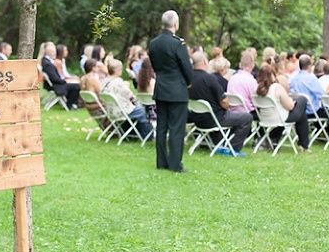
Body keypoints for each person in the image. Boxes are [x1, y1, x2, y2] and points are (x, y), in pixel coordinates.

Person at [148, 10, 193, 172]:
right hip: (177, 90)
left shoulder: (153, 43)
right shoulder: (177, 43)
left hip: (161, 88)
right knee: (176, 127)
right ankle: (175, 164)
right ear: (176, 24)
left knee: (161, 127)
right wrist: (188, 82)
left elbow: (154, 65)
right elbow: (187, 67)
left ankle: (161, 162)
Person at [188, 51, 252, 157]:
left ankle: (220, 144)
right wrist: (227, 108)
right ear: (205, 61)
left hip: (197, 119)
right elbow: (224, 101)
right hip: (215, 119)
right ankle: (233, 148)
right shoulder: (209, 79)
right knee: (247, 117)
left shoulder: (188, 78)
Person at [255, 64, 311, 152]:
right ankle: (304, 145)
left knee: (302, 115)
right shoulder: (276, 87)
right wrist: (291, 101)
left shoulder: (256, 88)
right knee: (302, 99)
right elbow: (290, 107)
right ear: (272, 75)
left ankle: (303, 144)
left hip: (264, 118)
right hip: (281, 117)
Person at [101, 59, 154, 140]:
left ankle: (129, 134)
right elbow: (130, 96)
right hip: (124, 110)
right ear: (118, 70)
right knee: (143, 111)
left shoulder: (104, 81)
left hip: (112, 111)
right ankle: (147, 135)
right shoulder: (118, 82)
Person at [41, 42, 80, 109]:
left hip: (56, 84)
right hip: (55, 85)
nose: (55, 53)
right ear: (48, 52)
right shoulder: (47, 63)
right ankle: (70, 104)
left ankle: (71, 103)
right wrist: (64, 81)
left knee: (75, 84)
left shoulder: (47, 61)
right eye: (53, 52)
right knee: (76, 86)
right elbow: (54, 78)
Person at [289, 54, 326, 120]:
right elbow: (322, 95)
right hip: (312, 111)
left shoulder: (294, 79)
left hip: (298, 110)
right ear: (309, 66)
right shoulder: (311, 78)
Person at [226, 52, 258, 118]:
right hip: (247, 112)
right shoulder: (251, 81)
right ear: (253, 65)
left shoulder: (232, 78)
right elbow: (256, 100)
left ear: (240, 65)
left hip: (232, 111)